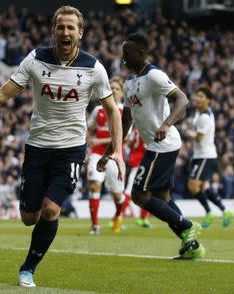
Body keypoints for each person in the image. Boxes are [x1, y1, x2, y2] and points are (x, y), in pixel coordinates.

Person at [0, 6, 124, 287]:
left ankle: (28, 268)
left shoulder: (94, 68)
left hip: (70, 149)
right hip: (37, 147)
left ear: (80, 33)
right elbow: (1, 95)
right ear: (54, 31)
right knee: (29, 217)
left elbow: (113, 110)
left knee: (51, 210)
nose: (65, 32)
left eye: (71, 28)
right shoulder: (35, 59)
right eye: (61, 27)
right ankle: (31, 241)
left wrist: (116, 149)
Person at [98, 32, 205, 260]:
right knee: (162, 197)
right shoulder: (129, 83)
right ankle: (192, 244)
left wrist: (167, 124)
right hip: (155, 146)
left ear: (142, 53)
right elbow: (125, 121)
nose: (124, 58)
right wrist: (110, 152)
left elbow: (182, 99)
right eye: (123, 53)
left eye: (128, 53)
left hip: (163, 145)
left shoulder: (155, 75)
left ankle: (186, 226)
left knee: (138, 195)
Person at [186, 86, 233, 228]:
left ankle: (208, 212)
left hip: (206, 156)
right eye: (197, 96)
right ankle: (225, 211)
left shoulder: (205, 116)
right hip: (201, 155)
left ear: (208, 99)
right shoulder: (199, 113)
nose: (197, 98)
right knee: (204, 187)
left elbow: (199, 138)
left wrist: (188, 133)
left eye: (201, 96)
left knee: (192, 186)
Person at [87, 77, 128, 234]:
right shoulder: (98, 110)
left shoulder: (125, 112)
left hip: (115, 155)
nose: (113, 91)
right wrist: (90, 141)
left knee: (117, 196)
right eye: (110, 88)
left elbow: (124, 137)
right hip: (97, 154)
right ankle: (95, 226)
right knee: (94, 184)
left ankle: (118, 214)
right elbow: (89, 129)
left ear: (122, 93)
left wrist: (100, 140)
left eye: (117, 88)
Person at [124, 127, 152, 228]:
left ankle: (143, 218)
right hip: (142, 162)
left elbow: (130, 144)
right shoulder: (146, 128)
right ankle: (117, 218)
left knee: (147, 191)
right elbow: (148, 146)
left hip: (135, 160)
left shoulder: (136, 130)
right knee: (129, 191)